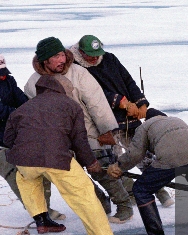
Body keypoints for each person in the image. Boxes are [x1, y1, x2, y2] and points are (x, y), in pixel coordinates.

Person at [24, 36, 137, 224]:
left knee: (101, 170)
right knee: (76, 179)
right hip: (61, 139)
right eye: (55, 57)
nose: (61, 60)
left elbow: (97, 103)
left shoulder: (78, 73)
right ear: (45, 60)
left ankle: (124, 206)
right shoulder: (33, 83)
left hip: (89, 132)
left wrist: (107, 130)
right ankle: (101, 203)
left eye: (62, 54)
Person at [4, 75, 117, 235]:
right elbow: (79, 141)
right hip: (56, 159)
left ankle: (42, 221)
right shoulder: (72, 106)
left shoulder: (23, 108)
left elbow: (8, 140)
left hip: (24, 160)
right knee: (83, 194)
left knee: (27, 179)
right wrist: (91, 162)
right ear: (62, 90)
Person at [70, 34, 173, 208]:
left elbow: (128, 80)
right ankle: (130, 194)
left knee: (142, 154)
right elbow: (94, 93)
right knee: (116, 161)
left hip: (129, 118)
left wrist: (141, 103)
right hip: (105, 120)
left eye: (97, 54)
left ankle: (160, 189)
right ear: (81, 52)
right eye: (90, 55)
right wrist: (121, 102)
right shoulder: (76, 68)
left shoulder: (109, 58)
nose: (95, 58)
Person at [107, 109, 188, 235]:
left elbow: (136, 154)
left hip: (170, 158)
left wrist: (119, 166)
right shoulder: (178, 121)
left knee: (141, 190)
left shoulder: (146, 126)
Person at [0, 52, 63, 220]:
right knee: (15, 175)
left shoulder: (8, 81)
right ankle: (40, 215)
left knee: (37, 170)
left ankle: (45, 209)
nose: (0, 77)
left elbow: (21, 100)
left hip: (15, 136)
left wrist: (31, 110)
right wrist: (19, 114)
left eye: (2, 73)